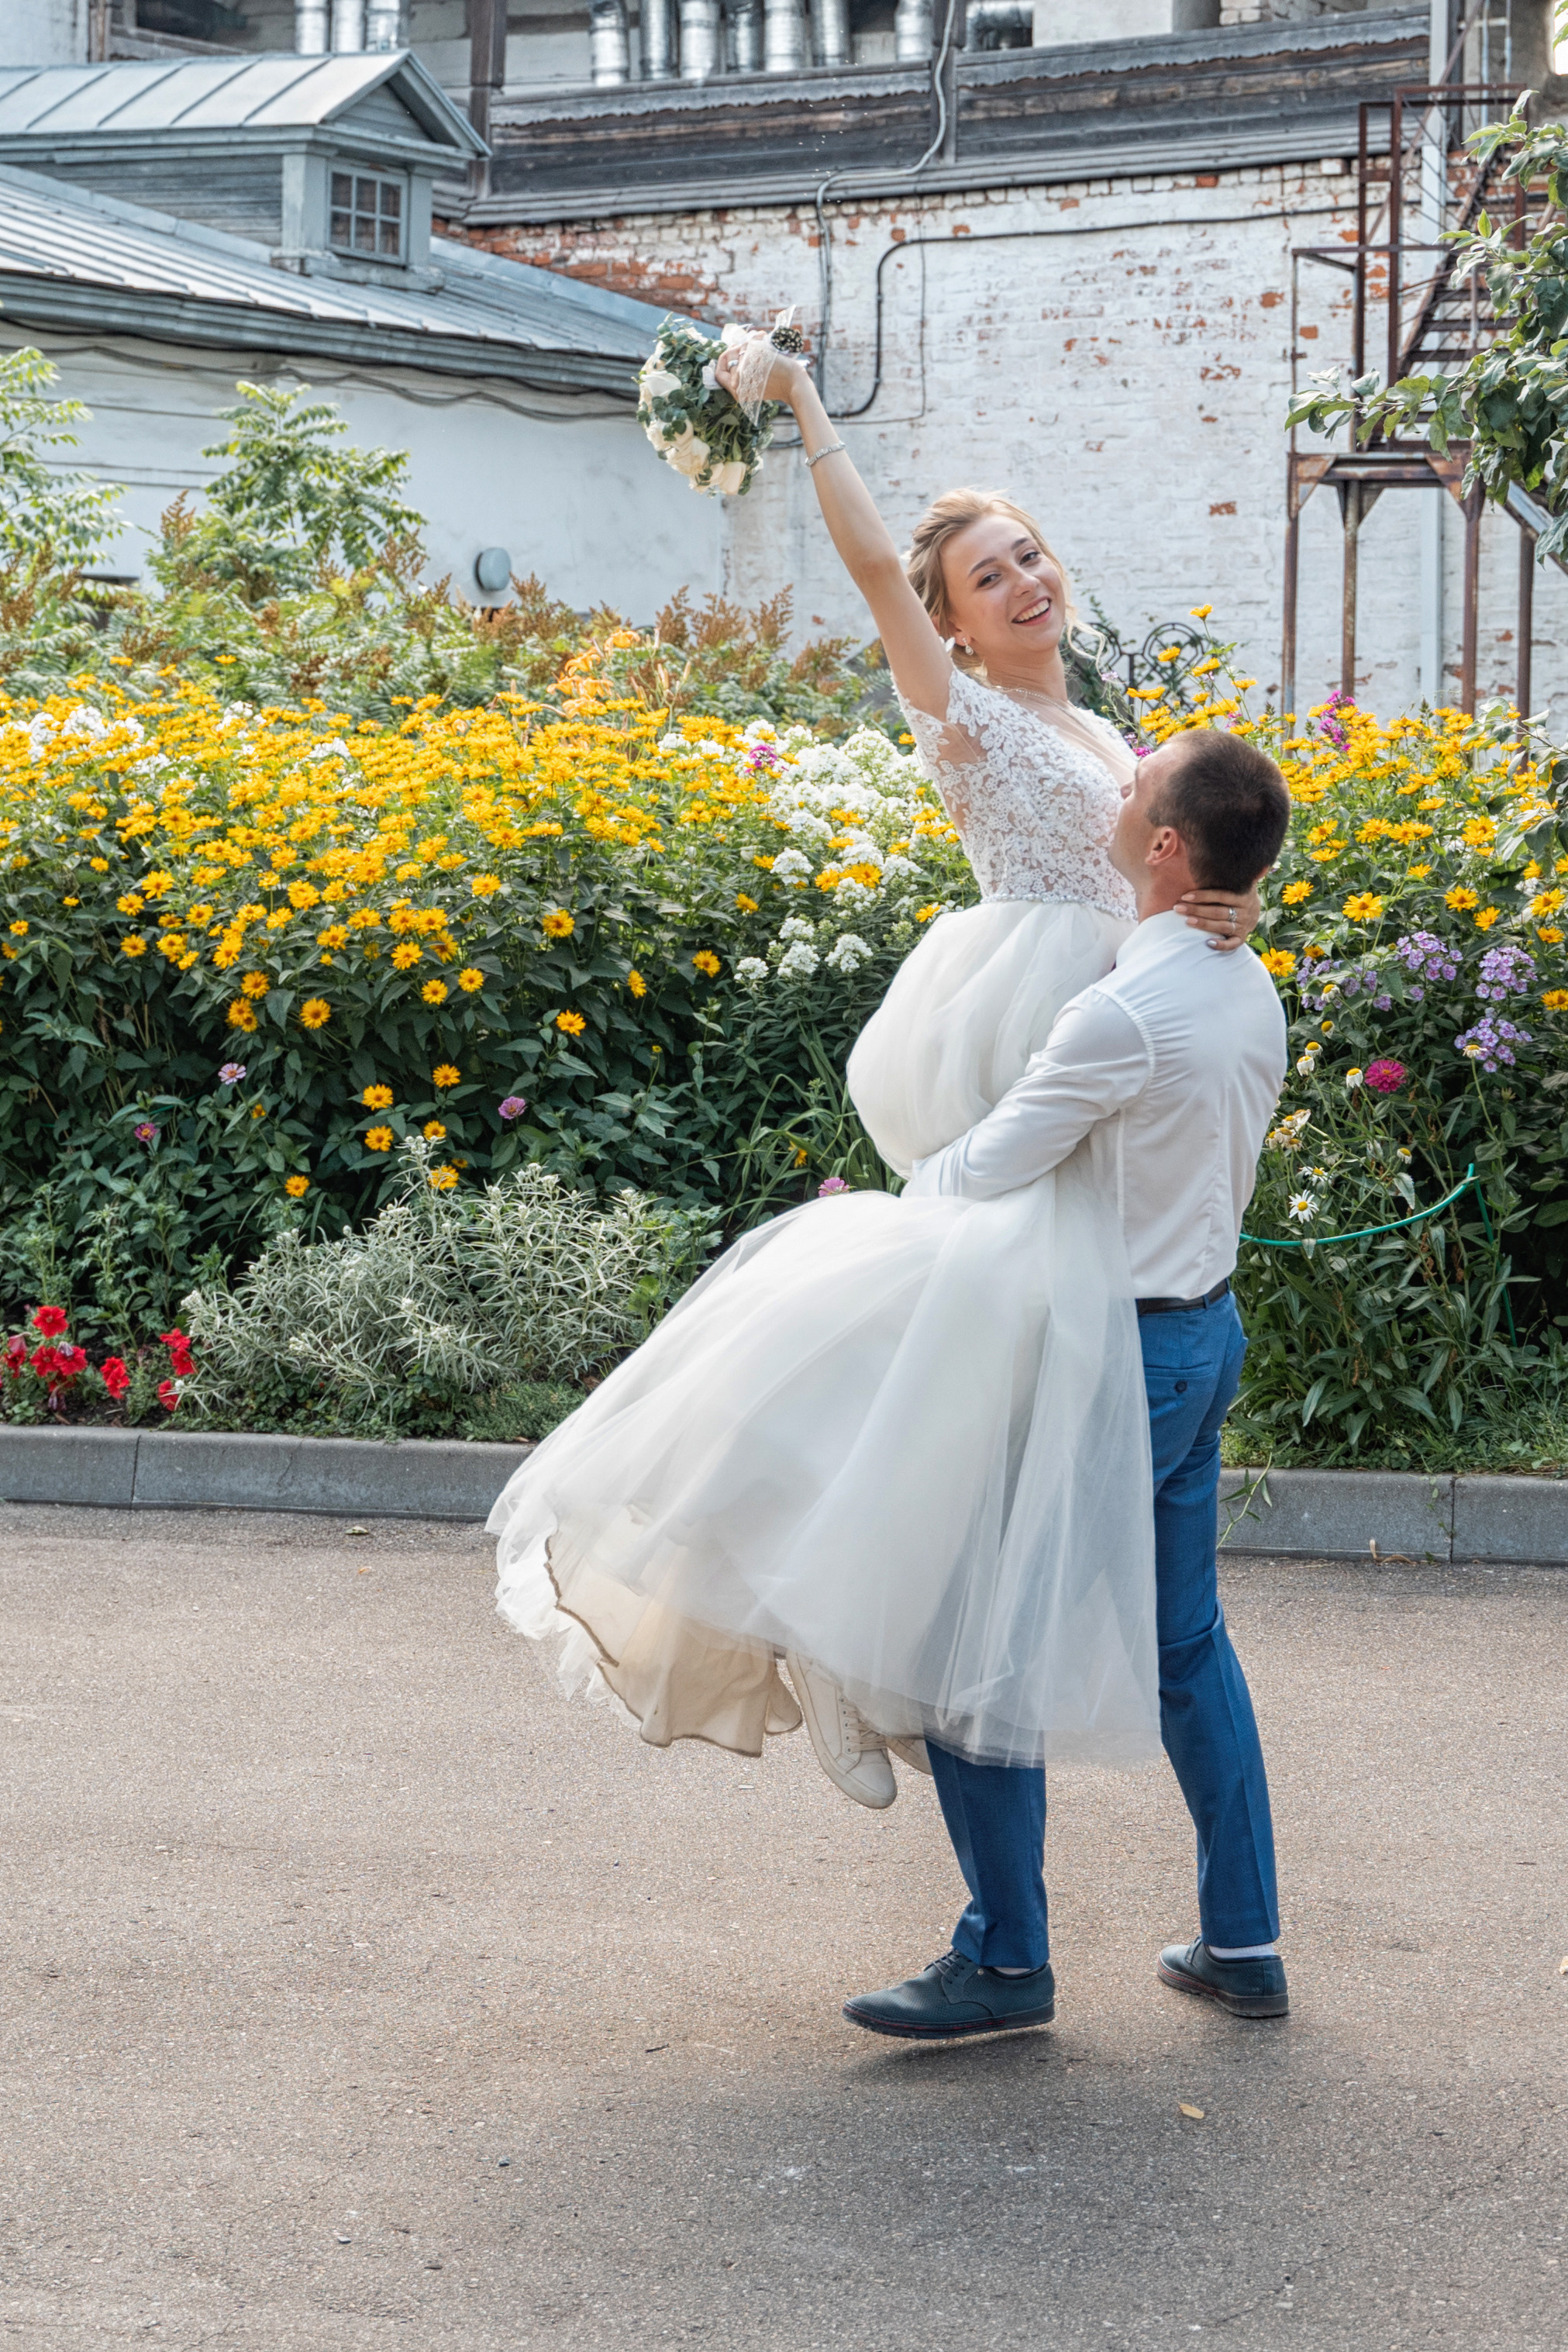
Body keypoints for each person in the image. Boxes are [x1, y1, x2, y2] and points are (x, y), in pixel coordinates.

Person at [488, 333, 1257, 1816]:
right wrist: (797, 405)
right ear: (954, 627)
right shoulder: (962, 717)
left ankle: (958, 1729)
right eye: (989, 576)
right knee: (956, 1392)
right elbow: (868, 573)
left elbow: (1159, 854)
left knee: (1022, 1396)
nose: (1024, 581)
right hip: (1032, 1031)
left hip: (1114, 1032)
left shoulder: (1100, 719)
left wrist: (1221, 903)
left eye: (1030, 555)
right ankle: (877, 1657)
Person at [842, 723, 1293, 2042]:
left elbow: (988, 1163)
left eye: (1140, 782)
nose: (1121, 777)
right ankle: (1242, 1938)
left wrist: (875, 1224)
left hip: (1121, 1354)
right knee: (1186, 1644)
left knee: (976, 1642)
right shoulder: (1240, 975)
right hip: (1206, 1334)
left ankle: (1005, 1962)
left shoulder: (1124, 1012)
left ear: (1164, 845)